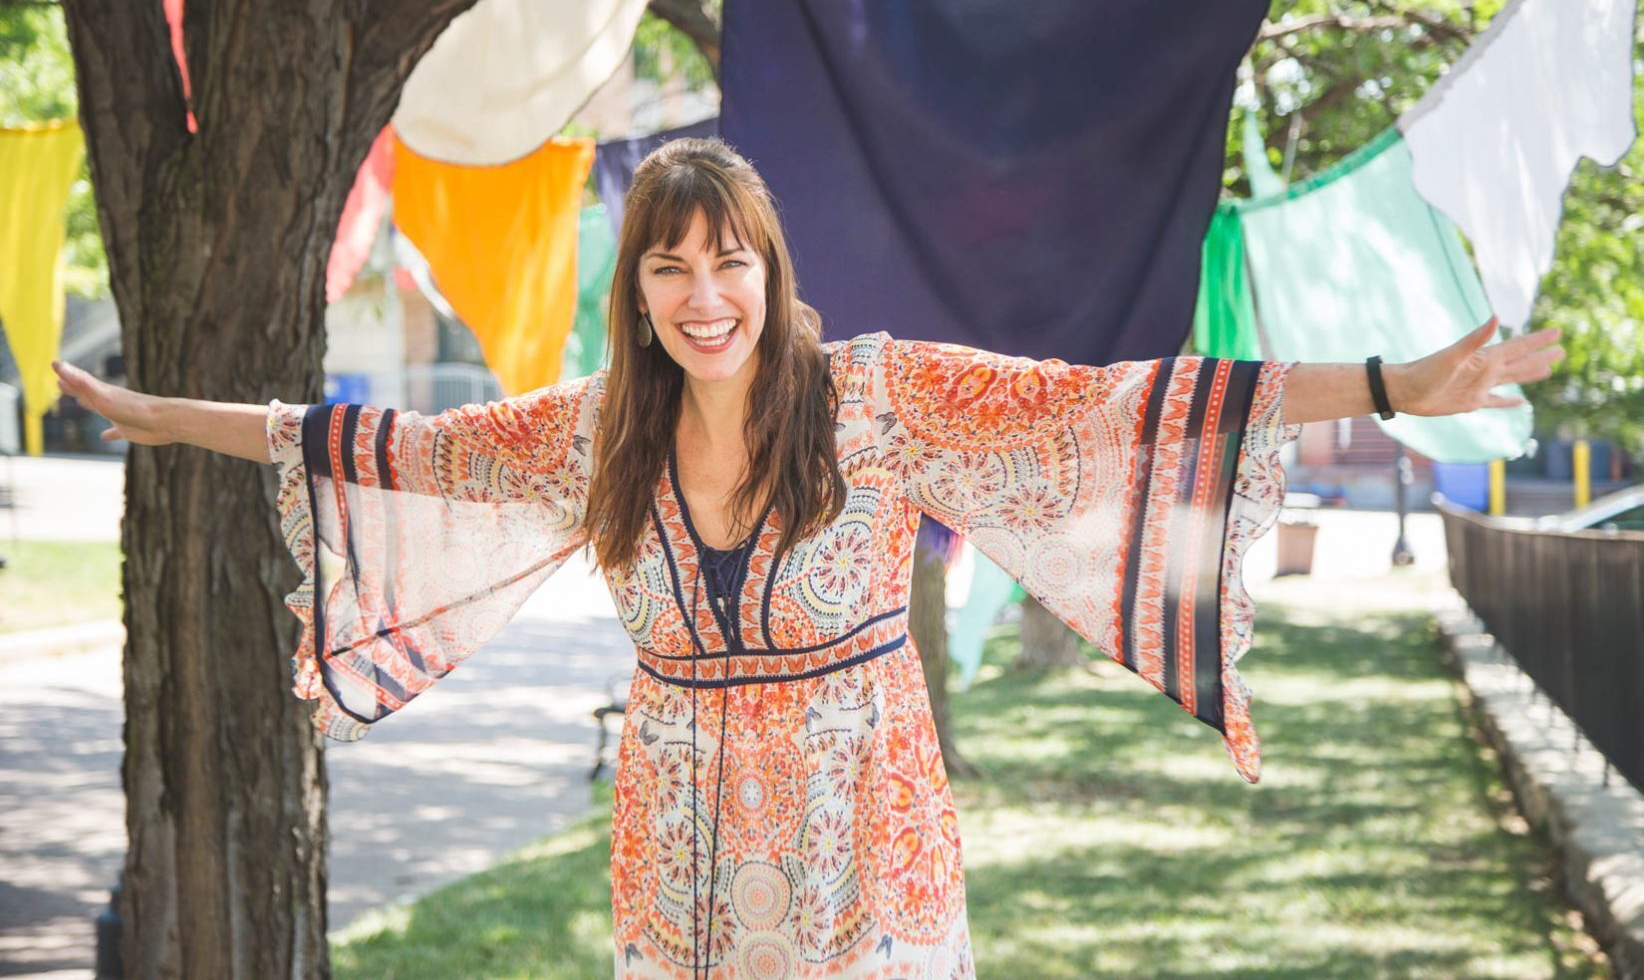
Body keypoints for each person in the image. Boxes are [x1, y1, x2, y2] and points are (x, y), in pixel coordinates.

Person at [53, 137, 1562, 978]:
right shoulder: (594, 437)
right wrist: (164, 418)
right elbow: (375, 451)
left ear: (771, 271)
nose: (704, 292)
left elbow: (1117, 411)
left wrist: (1385, 386)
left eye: (731, 260)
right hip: (682, 876)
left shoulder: (884, 399)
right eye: (669, 263)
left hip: (871, 869)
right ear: (636, 288)